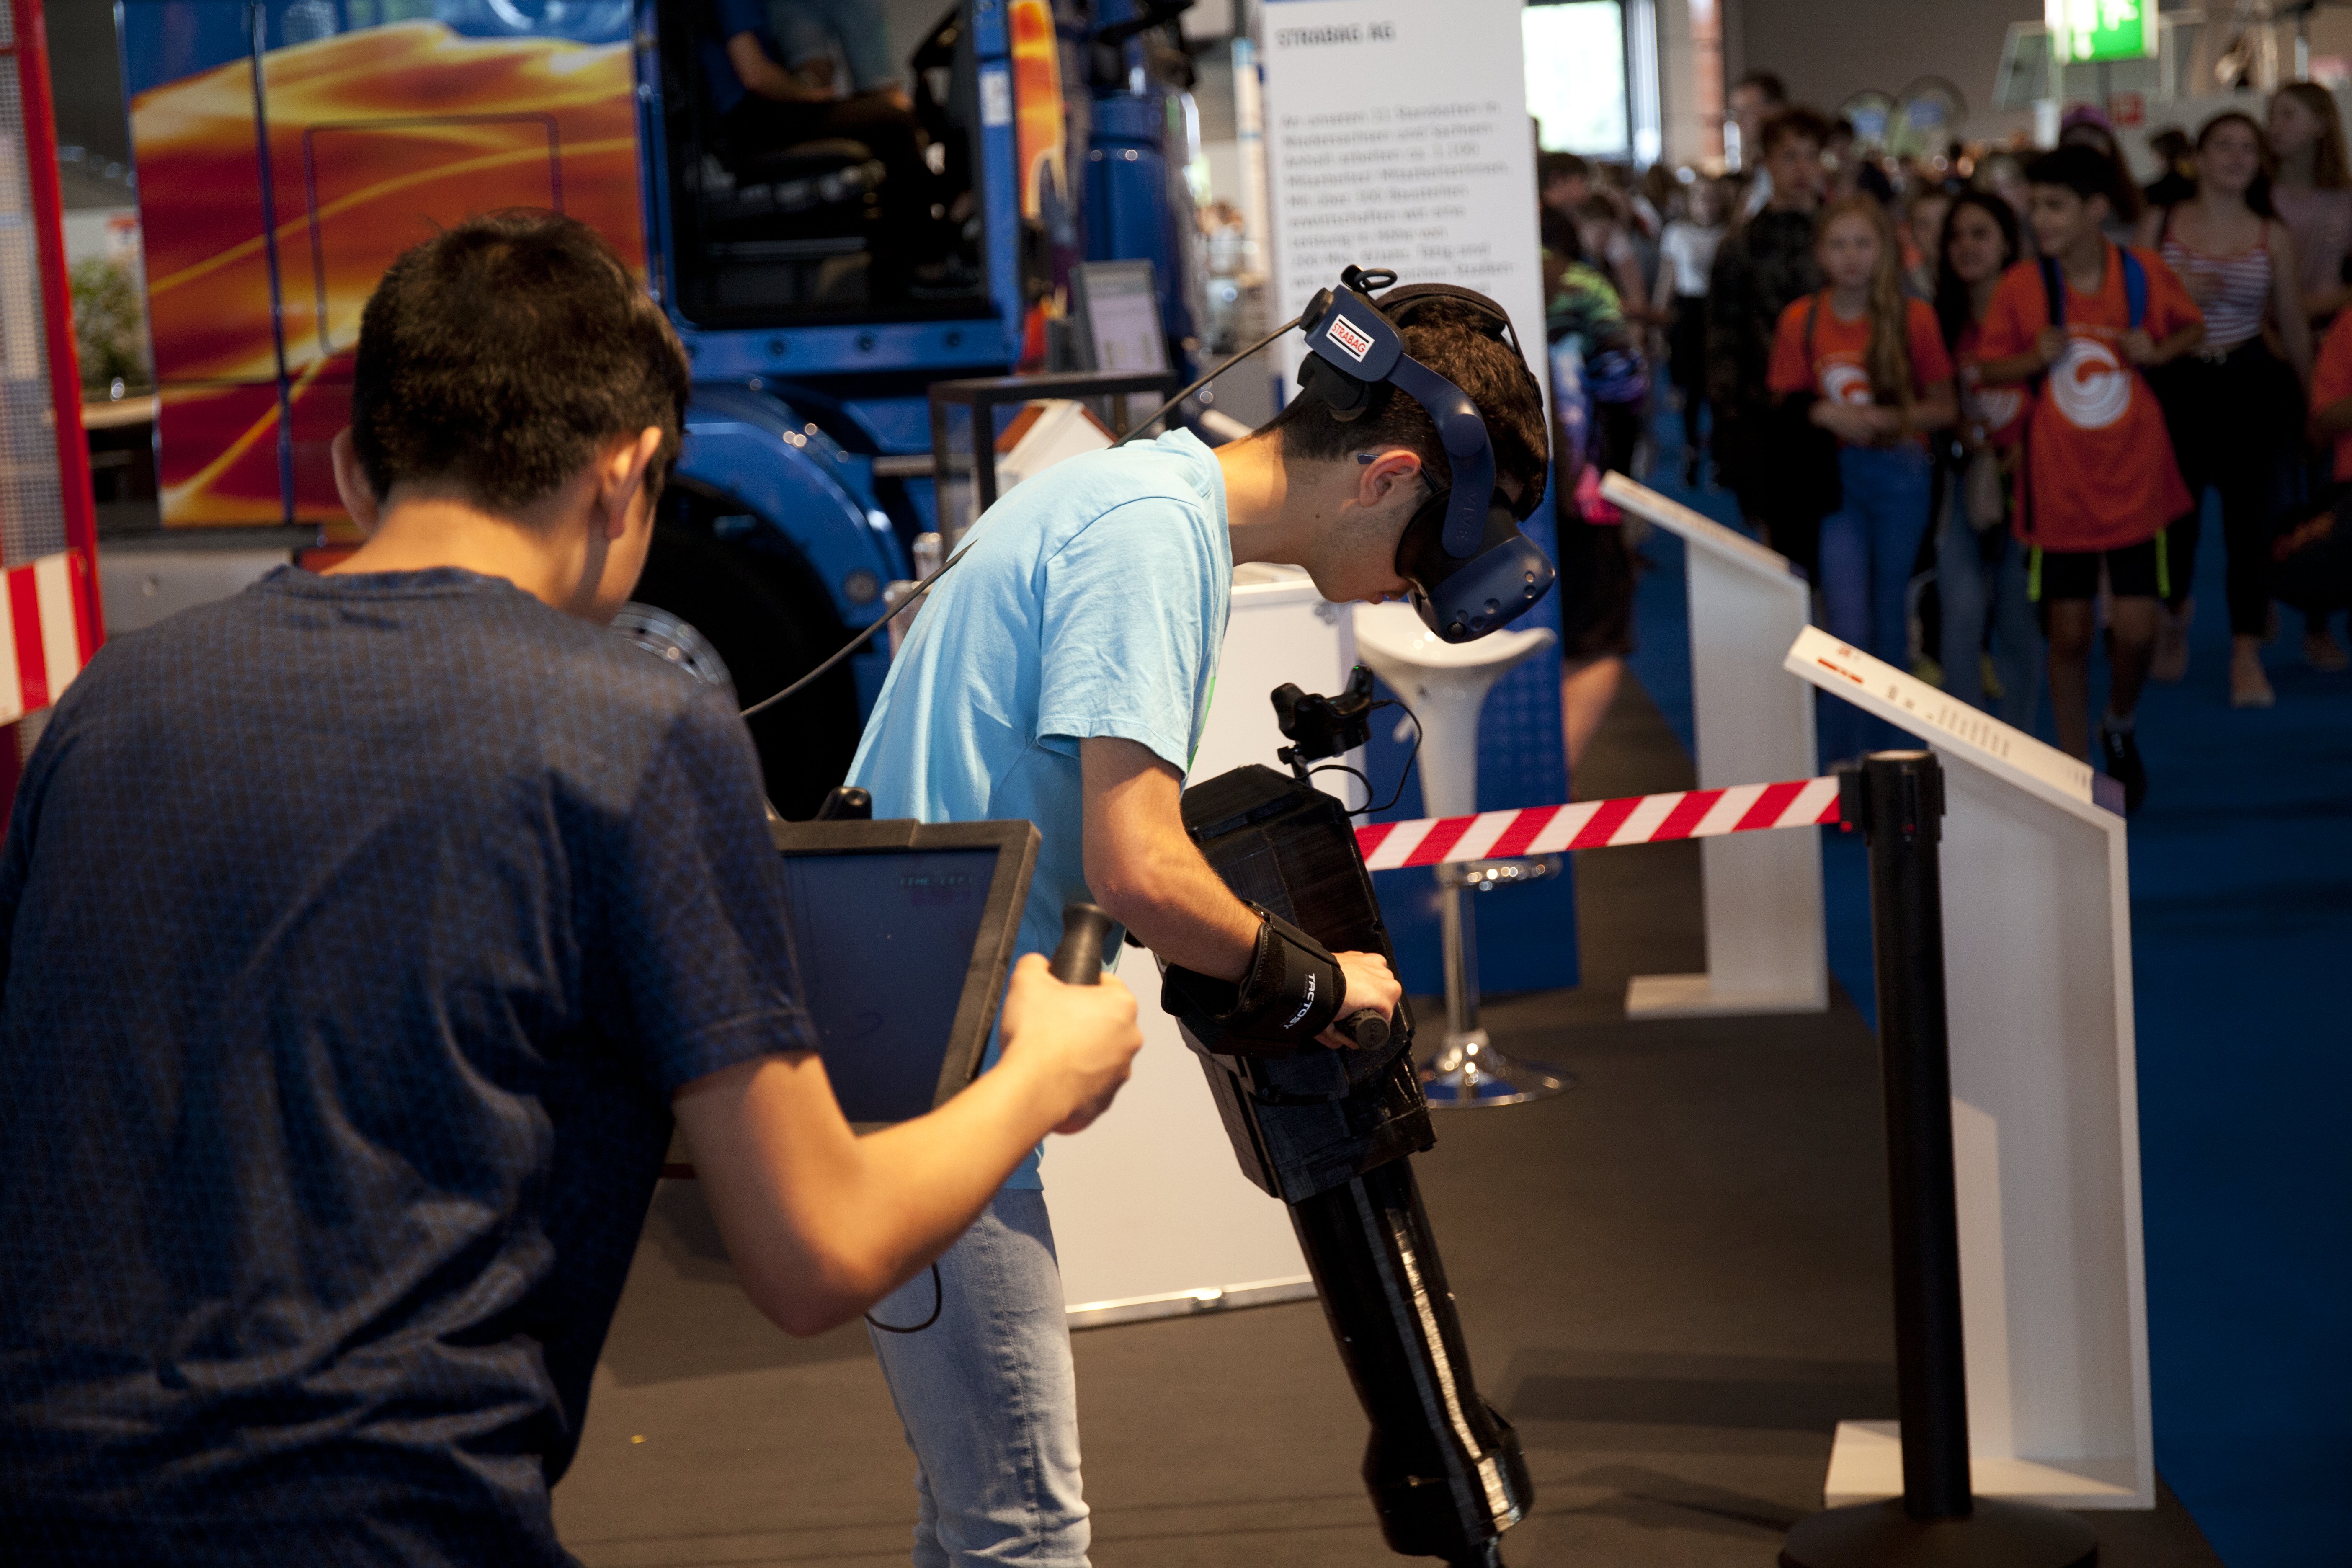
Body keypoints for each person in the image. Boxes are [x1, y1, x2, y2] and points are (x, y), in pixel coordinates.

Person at [0, 212, 1145, 1562]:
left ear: (356, 469)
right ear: (629, 473)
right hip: (383, 1526)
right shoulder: (633, 725)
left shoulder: (109, 704)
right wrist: (1043, 1077)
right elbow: (813, 1252)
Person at [845, 294, 1547, 1567]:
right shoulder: (1156, 539)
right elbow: (1141, 865)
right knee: (1021, 1535)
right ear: (1387, 477)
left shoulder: (1135, 496)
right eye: (1422, 555)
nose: (1404, 589)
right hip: (936, 1065)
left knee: (975, 1523)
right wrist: (1331, 988)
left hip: (913, 1033)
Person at [1978, 146, 2205, 812]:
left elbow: (2190, 329)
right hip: (2059, 488)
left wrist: (2156, 348)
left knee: (2134, 631)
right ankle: (2074, 769)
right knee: (2069, 632)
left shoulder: (2139, 274)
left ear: (2095, 209)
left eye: (2054, 205)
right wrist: (2029, 356)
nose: (2040, 218)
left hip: (2136, 480)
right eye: (2035, 205)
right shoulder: (2025, 285)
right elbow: (1986, 371)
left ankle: (2121, 722)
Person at [1768, 195, 1957, 762]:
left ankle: (1893, 761)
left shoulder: (1913, 316)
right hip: (1834, 479)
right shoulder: (1801, 319)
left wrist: (1889, 419)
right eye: (1839, 244)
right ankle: (1846, 760)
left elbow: (1946, 405)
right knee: (1846, 620)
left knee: (1890, 617)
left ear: (1885, 251)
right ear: (1821, 253)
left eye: (1863, 244)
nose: (1851, 257)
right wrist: (1825, 413)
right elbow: (1786, 402)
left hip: (1900, 472)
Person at [2136, 110, 2313, 707]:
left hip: (2249, 383)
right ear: (2200, 157)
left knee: (2250, 525)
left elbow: (2291, 323)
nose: (2237, 157)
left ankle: (2244, 649)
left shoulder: (2272, 234)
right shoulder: (2159, 223)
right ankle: (2174, 612)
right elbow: (2127, 303)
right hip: (2177, 382)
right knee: (2174, 521)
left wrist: (2316, 398)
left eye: (2248, 148)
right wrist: (2171, 285)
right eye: (2224, 146)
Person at [698, 0, 937, 291]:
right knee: (893, 123)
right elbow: (755, 75)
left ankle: (900, 266)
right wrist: (809, 97)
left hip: (757, 115)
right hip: (751, 119)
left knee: (885, 119)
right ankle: (926, 265)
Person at [1932, 190, 2043, 729]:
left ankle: (2022, 748)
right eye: (1957, 236)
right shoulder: (1941, 315)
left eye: (1980, 234)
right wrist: (1959, 428)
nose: (1967, 247)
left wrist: (2029, 443)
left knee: (2020, 619)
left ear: (2006, 243)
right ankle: (1964, 752)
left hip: (2031, 481)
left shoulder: (2035, 308)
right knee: (1961, 614)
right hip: (1962, 479)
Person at [1710, 106, 1830, 568]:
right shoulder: (1741, 243)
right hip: (1768, 415)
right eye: (1789, 157)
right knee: (1780, 548)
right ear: (1767, 163)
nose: (1801, 169)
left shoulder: (1846, 236)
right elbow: (1722, 335)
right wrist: (1731, 417)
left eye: (1810, 157)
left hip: (1842, 405)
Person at [2266, 81, 2352, 668]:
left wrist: (2313, 311)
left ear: (2322, 123)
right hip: (2272, 356)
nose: (2276, 126)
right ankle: (2279, 593)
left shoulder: (2345, 199)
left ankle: (2323, 618)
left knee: (2330, 486)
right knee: (2279, 487)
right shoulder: (2260, 198)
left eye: (2288, 115)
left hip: (2334, 350)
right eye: (2271, 116)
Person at [1655, 173, 1728, 485]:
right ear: (1690, 201)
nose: (1706, 204)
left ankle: (1722, 456)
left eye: (1712, 197)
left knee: (1719, 386)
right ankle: (1692, 450)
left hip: (1719, 312)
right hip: (1687, 311)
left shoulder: (1728, 234)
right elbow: (1667, 279)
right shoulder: (1676, 233)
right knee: (1692, 387)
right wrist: (1657, 322)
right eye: (1700, 197)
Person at [1730, 69, 1790, 215]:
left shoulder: (1794, 164)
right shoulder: (1755, 166)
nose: (1738, 121)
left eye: (1747, 110)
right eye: (1736, 113)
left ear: (1776, 110)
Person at [1905, 185, 1954, 297]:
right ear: (1912, 234)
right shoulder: (1904, 289)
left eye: (1944, 222)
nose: (1936, 233)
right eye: (1923, 224)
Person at [2144, 126, 2197, 209]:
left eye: (2154, 155)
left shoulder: (2151, 193)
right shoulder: (2202, 189)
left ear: (2163, 157)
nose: (2153, 161)